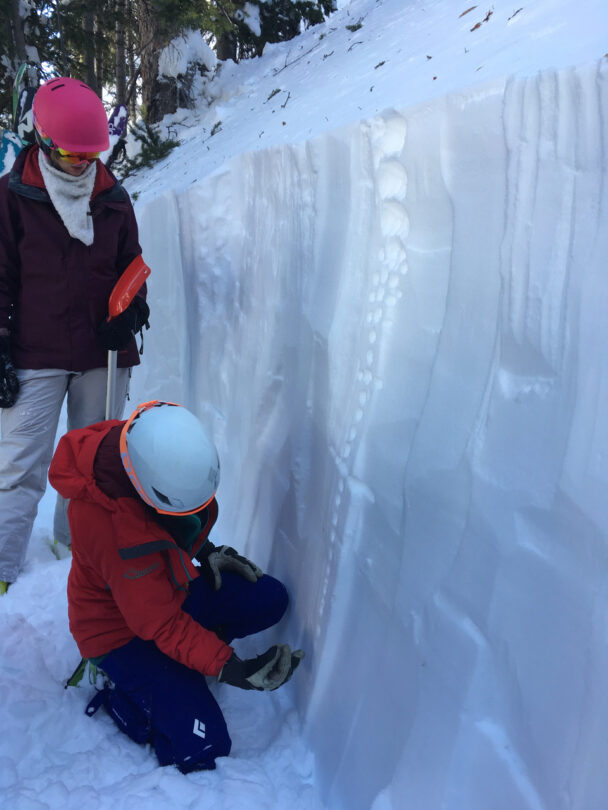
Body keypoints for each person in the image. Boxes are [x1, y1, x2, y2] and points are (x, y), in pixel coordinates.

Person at [48, 399, 304, 772]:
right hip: (121, 635)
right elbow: (159, 623)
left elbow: (170, 524)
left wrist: (207, 551)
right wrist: (229, 668)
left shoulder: (145, 442)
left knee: (269, 599)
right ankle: (126, 699)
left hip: (164, 594)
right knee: (203, 746)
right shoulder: (109, 528)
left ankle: (181, 661)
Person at [0, 76, 149, 593]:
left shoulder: (112, 197)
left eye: (91, 155)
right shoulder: (13, 196)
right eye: (71, 154)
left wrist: (132, 313)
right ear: (42, 140)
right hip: (35, 350)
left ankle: (75, 550)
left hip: (102, 352)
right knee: (19, 462)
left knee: (95, 462)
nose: (83, 164)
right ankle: (1, 568)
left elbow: (131, 265)